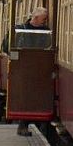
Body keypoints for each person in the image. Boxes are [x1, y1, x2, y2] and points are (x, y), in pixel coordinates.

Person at [15, 7, 49, 136]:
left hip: (41, 68)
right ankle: (23, 125)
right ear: (35, 18)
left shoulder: (46, 31)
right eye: (43, 19)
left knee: (40, 97)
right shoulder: (21, 29)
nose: (45, 21)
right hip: (25, 68)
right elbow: (9, 46)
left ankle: (39, 125)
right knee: (26, 96)